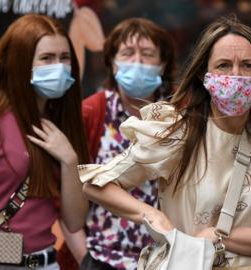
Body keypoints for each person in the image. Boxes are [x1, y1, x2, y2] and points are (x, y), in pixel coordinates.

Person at [80, 17, 251, 267]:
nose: (235, 76)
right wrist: (151, 215)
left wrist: (219, 237)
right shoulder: (177, 133)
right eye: (224, 65)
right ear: (204, 76)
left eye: (247, 65)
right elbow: (96, 185)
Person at [0, 14, 90, 270]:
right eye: (46, 58)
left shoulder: (61, 125)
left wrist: (70, 160)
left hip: (46, 262)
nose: (58, 67)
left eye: (64, 57)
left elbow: (75, 222)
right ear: (21, 63)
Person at [60, 18, 176, 270]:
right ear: (113, 63)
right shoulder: (90, 113)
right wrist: (85, 260)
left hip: (163, 259)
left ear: (163, 64)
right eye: (127, 53)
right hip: (101, 257)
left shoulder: (179, 116)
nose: (137, 61)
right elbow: (66, 193)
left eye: (147, 54)